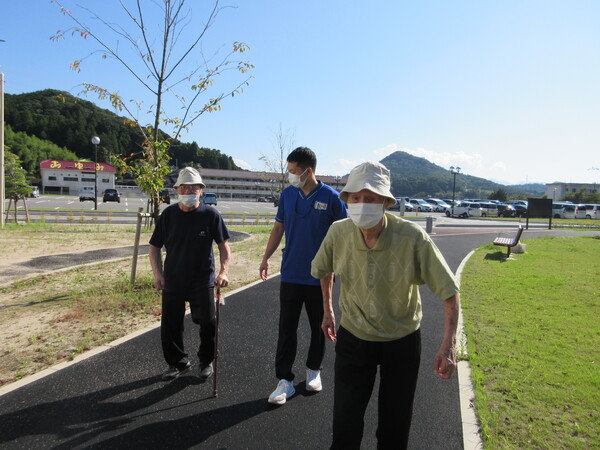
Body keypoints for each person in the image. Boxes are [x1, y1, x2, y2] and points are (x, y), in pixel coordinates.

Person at [311, 161, 460, 449]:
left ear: (385, 203)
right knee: (345, 422)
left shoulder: (412, 237)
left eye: (371, 198)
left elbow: (449, 290)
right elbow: (324, 269)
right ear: (347, 200)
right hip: (353, 337)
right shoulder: (337, 232)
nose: (362, 204)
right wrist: (328, 309)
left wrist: (448, 344)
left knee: (395, 425)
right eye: (355, 198)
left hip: (401, 340)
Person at [259, 147, 347, 405]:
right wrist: (266, 258)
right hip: (291, 273)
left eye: (294, 172)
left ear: (308, 171)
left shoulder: (332, 199)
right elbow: (278, 227)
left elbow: (343, 237)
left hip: (320, 277)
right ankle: (284, 380)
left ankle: (313, 370)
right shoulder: (288, 195)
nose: (290, 176)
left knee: (319, 326)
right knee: (286, 328)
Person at [149, 167, 230, 381]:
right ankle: (178, 362)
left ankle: (206, 360)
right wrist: (157, 274)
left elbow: (224, 246)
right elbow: (154, 247)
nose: (188, 191)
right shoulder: (168, 215)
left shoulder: (210, 214)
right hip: (173, 279)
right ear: (177, 191)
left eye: (193, 187)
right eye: (184, 187)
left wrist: (223, 272)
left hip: (202, 279)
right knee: (170, 324)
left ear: (201, 191)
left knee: (208, 322)